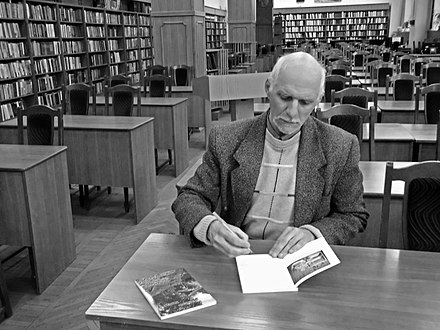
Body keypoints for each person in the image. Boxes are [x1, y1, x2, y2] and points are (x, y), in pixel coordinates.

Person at [172, 52, 369, 258]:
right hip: (238, 255)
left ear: (318, 100)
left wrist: (313, 234)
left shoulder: (341, 146)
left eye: (305, 103)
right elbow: (189, 197)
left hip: (297, 258)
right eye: (284, 97)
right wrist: (210, 227)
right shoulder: (226, 138)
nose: (292, 113)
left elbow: (352, 214)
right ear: (268, 88)